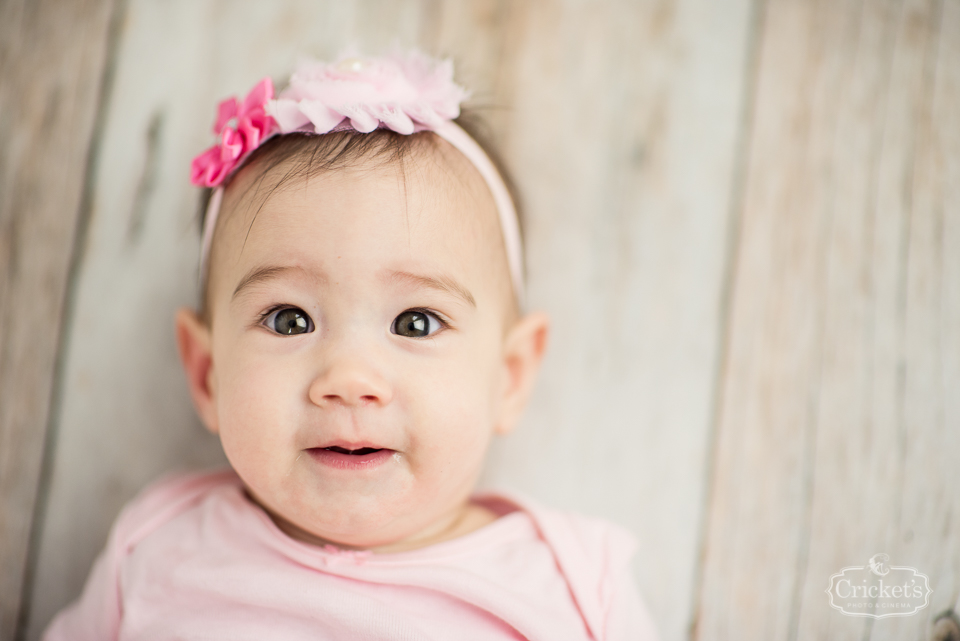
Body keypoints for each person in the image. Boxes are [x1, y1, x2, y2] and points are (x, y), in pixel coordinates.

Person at [43, 50, 660, 641]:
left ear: (510, 377)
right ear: (208, 374)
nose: (349, 377)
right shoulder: (158, 547)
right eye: (289, 320)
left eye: (416, 322)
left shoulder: (575, 585)